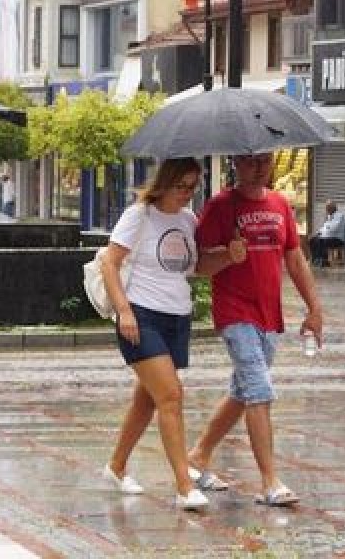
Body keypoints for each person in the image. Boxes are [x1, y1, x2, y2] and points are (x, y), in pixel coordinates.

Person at [187, 152, 325, 507]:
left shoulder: (280, 204)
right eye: (250, 162)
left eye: (264, 160)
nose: (258, 167)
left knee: (242, 392)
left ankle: (198, 457)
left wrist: (314, 308)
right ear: (235, 163)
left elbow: (294, 257)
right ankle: (270, 481)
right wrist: (227, 255)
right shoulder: (221, 207)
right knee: (259, 390)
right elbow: (197, 263)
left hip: (269, 316)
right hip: (235, 314)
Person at [100, 157, 211, 511]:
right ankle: (183, 485)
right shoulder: (140, 215)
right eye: (182, 186)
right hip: (142, 315)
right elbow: (109, 262)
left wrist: (230, 256)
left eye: (193, 187)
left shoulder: (188, 219)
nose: (187, 194)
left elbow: (195, 267)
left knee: (147, 399)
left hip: (176, 317)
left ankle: (116, 467)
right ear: (165, 182)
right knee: (171, 396)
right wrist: (124, 311)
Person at [308, 201, 345, 267]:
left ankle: (323, 261)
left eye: (328, 208)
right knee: (312, 239)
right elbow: (324, 227)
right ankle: (316, 259)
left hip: (337, 238)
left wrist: (324, 231)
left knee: (321, 240)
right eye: (327, 208)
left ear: (333, 208)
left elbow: (334, 228)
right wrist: (318, 233)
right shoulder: (329, 216)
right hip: (328, 236)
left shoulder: (339, 216)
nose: (326, 210)